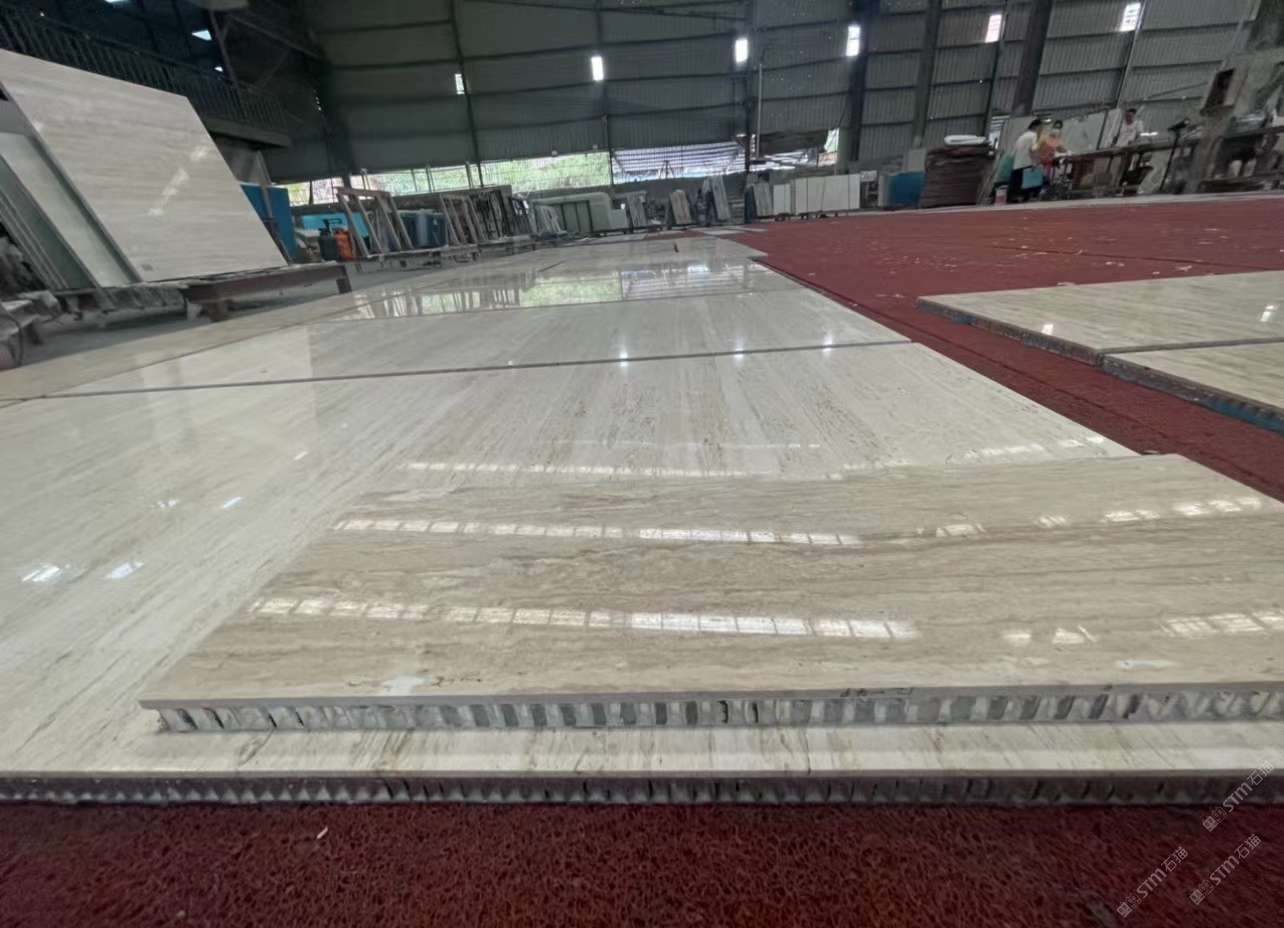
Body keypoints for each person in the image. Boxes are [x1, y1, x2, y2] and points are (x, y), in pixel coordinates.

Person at [1008, 118, 1042, 203]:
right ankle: (1029, 197)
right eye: (1041, 128)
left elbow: (1012, 153)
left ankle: (1015, 198)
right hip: (1027, 164)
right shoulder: (1034, 136)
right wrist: (1035, 162)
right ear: (1036, 127)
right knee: (1029, 188)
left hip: (1017, 165)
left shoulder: (1021, 137)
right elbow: (1033, 149)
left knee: (1016, 188)